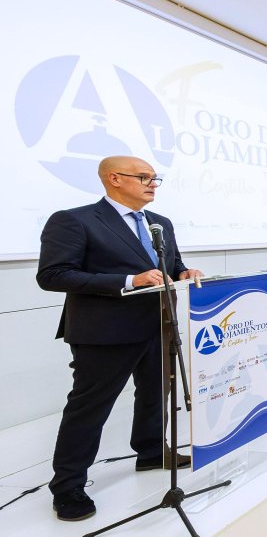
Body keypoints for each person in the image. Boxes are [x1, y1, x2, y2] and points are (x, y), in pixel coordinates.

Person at [37, 156, 204, 521]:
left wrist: (183, 270)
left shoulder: (161, 223)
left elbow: (169, 266)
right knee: (89, 408)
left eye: (154, 178)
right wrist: (128, 281)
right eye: (144, 177)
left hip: (159, 324)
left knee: (156, 395)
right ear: (114, 179)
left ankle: (150, 452)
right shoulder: (75, 220)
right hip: (104, 331)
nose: (152, 184)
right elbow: (53, 275)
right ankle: (67, 486)